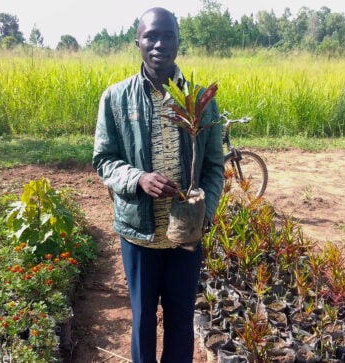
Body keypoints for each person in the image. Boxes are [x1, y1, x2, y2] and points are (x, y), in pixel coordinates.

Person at [92, 7, 224, 363]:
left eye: (168, 36)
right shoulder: (116, 99)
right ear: (137, 41)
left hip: (186, 235)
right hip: (139, 233)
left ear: (179, 42)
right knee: (143, 320)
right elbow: (104, 159)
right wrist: (138, 178)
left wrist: (205, 212)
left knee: (181, 319)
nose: (159, 44)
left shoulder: (199, 100)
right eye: (151, 36)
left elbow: (214, 166)